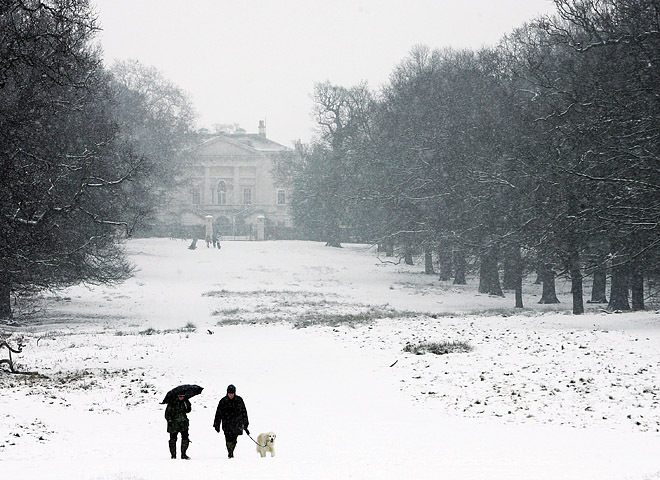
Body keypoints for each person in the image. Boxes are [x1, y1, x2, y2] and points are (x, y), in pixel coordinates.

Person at [213, 384, 249, 458]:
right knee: (228, 438)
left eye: (232, 393)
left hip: (237, 423)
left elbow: (244, 412)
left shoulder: (239, 400)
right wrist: (217, 424)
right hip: (226, 423)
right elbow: (218, 413)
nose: (231, 395)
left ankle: (231, 450)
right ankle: (230, 452)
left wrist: (245, 423)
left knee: (234, 438)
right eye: (229, 393)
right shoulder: (223, 401)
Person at [165, 393, 192, 459]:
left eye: (183, 396)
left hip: (183, 424)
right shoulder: (171, 403)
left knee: (185, 438)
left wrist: (188, 403)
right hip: (174, 424)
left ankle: (183, 454)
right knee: (173, 439)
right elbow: (167, 414)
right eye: (180, 396)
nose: (181, 397)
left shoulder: (184, 402)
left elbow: (188, 410)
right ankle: (173, 455)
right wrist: (170, 421)